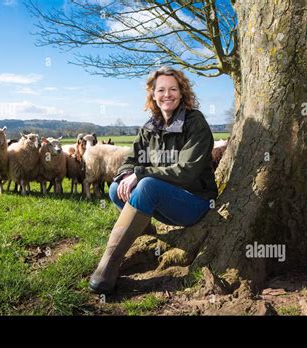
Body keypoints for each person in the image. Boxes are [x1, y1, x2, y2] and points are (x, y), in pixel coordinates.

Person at [89, 66, 218, 294]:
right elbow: (129, 161)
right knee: (115, 188)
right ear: (153, 95)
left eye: (173, 89)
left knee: (147, 185)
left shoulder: (195, 123)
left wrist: (141, 173)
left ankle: (107, 267)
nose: (167, 95)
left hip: (195, 202)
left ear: (182, 93)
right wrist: (130, 173)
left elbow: (186, 172)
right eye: (161, 90)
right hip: (165, 200)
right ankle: (145, 238)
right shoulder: (149, 128)